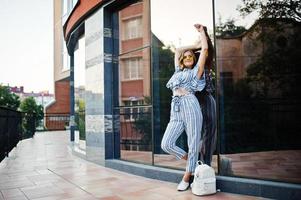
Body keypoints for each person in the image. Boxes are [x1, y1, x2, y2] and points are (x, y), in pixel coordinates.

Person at [161, 24, 208, 191]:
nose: (188, 57)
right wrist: (193, 47)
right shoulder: (177, 71)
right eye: (186, 56)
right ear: (182, 60)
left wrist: (201, 33)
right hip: (176, 108)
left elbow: (205, 50)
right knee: (166, 144)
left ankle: (187, 176)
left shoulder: (196, 71)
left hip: (190, 104)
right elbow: (178, 50)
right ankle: (192, 161)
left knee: (193, 142)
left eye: (191, 56)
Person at [194, 27, 217, 167]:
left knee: (209, 132)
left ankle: (206, 164)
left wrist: (204, 33)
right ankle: (196, 164)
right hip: (194, 100)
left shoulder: (206, 62)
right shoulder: (190, 65)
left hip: (207, 97)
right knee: (195, 133)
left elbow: (208, 49)